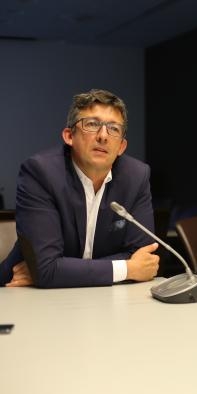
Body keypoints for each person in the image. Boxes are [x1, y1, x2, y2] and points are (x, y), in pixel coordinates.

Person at [0, 89, 159, 288]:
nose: (103, 136)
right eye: (92, 124)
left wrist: (59, 272)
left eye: (114, 129)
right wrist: (127, 269)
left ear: (121, 147)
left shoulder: (136, 176)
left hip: (101, 299)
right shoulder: (40, 173)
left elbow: (143, 258)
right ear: (69, 136)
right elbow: (47, 269)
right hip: (22, 296)